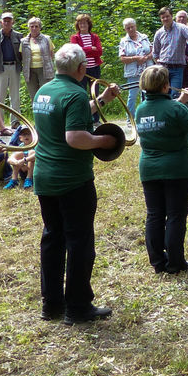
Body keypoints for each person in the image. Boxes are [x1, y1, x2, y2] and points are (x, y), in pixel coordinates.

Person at [31, 43, 122, 325]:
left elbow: (69, 114)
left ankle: (52, 304)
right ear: (82, 68)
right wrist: (104, 141)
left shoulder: (44, 91)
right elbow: (75, 137)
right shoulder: (76, 94)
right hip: (72, 179)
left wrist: (103, 99)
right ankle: (79, 307)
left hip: (45, 177)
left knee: (53, 238)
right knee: (80, 241)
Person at [136, 64, 188, 273]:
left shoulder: (140, 109)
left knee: (154, 215)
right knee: (175, 216)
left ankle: (158, 262)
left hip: (149, 169)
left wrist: (181, 101)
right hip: (176, 170)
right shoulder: (175, 108)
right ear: (165, 85)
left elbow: (162, 116)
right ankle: (176, 263)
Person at [153, 7, 188, 91]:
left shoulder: (181, 28)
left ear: (172, 16)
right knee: (163, 94)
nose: (165, 19)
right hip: (163, 68)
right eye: (163, 17)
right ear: (160, 19)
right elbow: (155, 53)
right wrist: (158, 65)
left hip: (177, 68)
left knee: (175, 93)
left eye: (167, 16)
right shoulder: (159, 33)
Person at [117, 18, 153, 121]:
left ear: (135, 26)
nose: (131, 29)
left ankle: (145, 116)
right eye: (128, 28)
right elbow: (122, 58)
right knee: (132, 96)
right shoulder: (124, 41)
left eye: (132, 27)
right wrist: (135, 58)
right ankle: (130, 118)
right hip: (133, 73)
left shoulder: (144, 37)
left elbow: (152, 52)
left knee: (147, 94)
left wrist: (145, 58)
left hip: (147, 70)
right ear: (125, 29)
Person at [0, 11, 24, 117]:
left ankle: (15, 121)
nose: (7, 23)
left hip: (14, 67)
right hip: (0, 68)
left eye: (9, 20)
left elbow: (22, 53)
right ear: (1, 22)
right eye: (5, 21)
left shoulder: (19, 36)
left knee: (15, 96)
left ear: (13, 22)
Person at [20, 17, 55, 107]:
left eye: (36, 26)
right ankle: (37, 116)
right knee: (33, 94)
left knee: (46, 93)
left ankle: (47, 115)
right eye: (32, 26)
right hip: (30, 71)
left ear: (40, 27)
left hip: (45, 69)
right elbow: (22, 56)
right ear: (29, 27)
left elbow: (51, 54)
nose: (34, 28)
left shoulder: (47, 39)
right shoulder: (23, 41)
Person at [71, 14, 104, 82]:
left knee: (95, 90)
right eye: (80, 23)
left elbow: (99, 52)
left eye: (84, 23)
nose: (82, 25)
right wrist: (91, 48)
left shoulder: (95, 37)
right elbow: (76, 52)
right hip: (81, 68)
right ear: (78, 25)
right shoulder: (75, 37)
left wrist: (83, 51)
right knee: (82, 89)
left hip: (94, 68)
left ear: (89, 24)